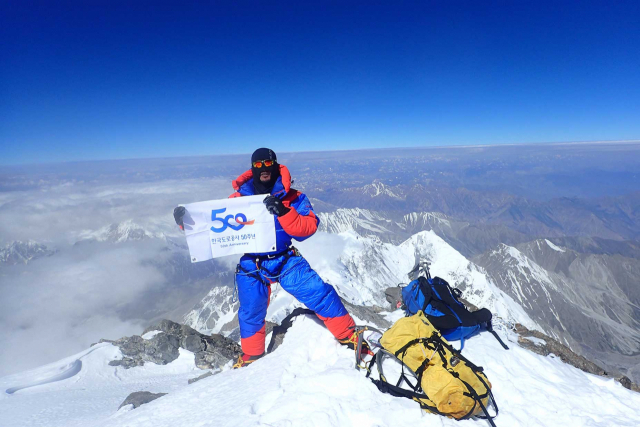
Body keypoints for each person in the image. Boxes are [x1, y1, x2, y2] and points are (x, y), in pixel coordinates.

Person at [174, 148, 361, 368]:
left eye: (268, 163)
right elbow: (214, 226)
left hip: (285, 258)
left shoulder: (293, 197)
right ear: (253, 167)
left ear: (275, 164)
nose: (264, 168)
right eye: (259, 164)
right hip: (253, 262)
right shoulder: (237, 200)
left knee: (318, 292)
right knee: (251, 308)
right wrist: (185, 222)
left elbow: (308, 228)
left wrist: (284, 211)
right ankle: (252, 354)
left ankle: (347, 334)